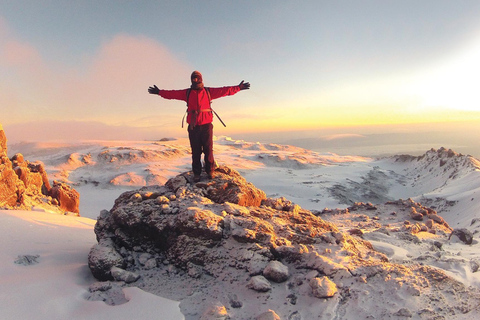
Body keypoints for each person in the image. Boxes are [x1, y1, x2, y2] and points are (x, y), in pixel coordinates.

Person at [148, 71, 250, 182]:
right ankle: (197, 173)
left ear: (201, 79)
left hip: (206, 126)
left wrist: (238, 88)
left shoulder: (208, 91)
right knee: (195, 151)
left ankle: (210, 170)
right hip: (193, 126)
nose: (195, 80)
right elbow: (172, 94)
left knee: (208, 150)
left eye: (197, 78)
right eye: (193, 78)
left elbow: (225, 91)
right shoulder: (187, 93)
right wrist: (159, 92)